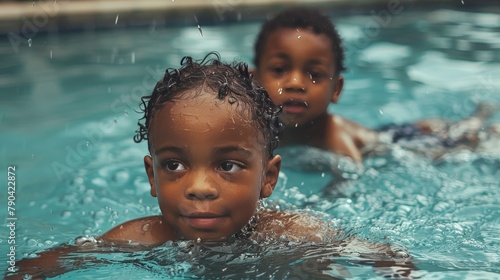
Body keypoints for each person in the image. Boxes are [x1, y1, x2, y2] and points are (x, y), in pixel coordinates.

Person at [5, 53, 413, 279]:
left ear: (268, 178)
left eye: (229, 166)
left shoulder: (295, 235)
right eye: (175, 165)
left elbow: (389, 258)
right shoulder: (139, 237)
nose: (199, 187)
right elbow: (40, 266)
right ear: (152, 176)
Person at [252, 8, 498, 163]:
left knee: (457, 145)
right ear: (254, 81)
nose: (295, 83)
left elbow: (350, 181)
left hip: (394, 144)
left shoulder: (337, 142)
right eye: (279, 70)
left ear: (336, 90)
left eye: (314, 74)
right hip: (382, 131)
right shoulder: (254, 132)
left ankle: (479, 121)